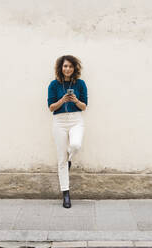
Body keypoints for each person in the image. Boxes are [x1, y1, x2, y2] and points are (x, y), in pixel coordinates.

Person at [47, 55, 88, 208]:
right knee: (61, 159)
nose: (67, 69)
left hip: (76, 120)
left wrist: (75, 100)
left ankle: (70, 158)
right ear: (60, 68)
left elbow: (84, 106)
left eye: (70, 66)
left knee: (76, 145)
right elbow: (51, 107)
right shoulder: (54, 85)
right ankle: (66, 193)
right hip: (59, 122)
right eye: (65, 66)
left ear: (74, 68)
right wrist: (62, 100)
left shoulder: (81, 84)